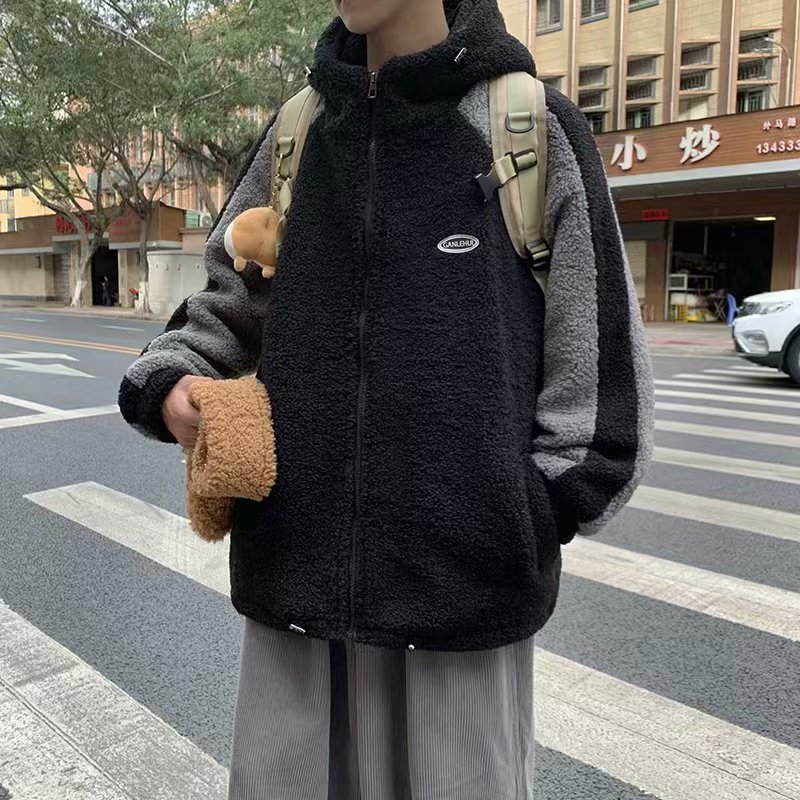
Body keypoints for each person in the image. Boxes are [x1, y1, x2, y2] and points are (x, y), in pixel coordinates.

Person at [118, 0, 655, 797]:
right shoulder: (298, 133)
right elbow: (225, 309)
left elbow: (603, 379)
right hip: (294, 593)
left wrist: (521, 518)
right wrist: (172, 384)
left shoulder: (529, 128)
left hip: (464, 607)